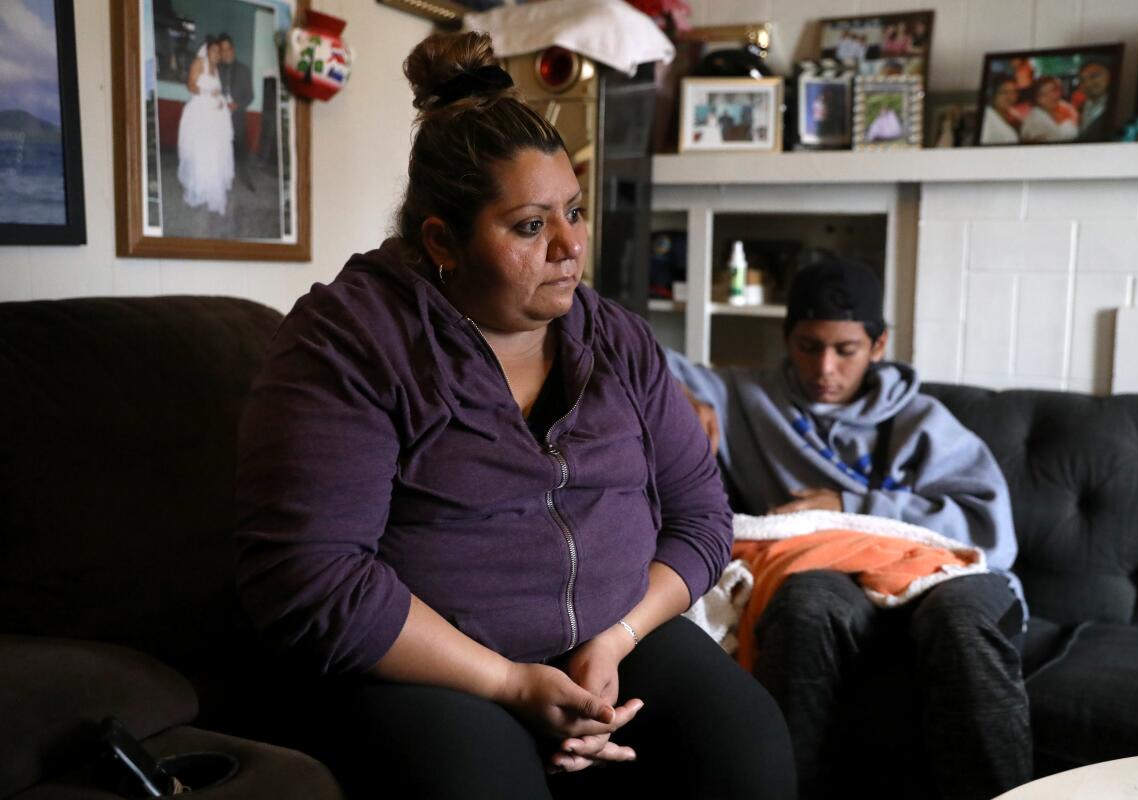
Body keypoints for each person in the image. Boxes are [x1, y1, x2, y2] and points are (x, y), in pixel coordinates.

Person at [233, 30, 795, 800]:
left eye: (574, 210)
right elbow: (311, 578)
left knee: (748, 748)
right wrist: (507, 683)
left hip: (611, 637)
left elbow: (700, 516)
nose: (571, 246)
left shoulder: (614, 337)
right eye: (531, 226)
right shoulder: (351, 343)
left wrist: (615, 639)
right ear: (443, 242)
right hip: (433, 667)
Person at [668, 259, 1032, 800]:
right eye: (808, 346)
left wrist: (849, 502)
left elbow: (988, 528)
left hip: (935, 571)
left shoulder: (922, 421)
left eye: (846, 350)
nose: (824, 369)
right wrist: (675, 395)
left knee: (961, 624)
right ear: (786, 338)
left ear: (878, 345)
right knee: (803, 604)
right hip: (826, 570)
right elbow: (628, 344)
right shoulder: (747, 396)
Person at [176, 37, 234, 216]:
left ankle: (211, 190)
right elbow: (191, 85)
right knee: (201, 152)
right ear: (207, 50)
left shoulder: (216, 69)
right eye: (214, 50)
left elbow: (217, 92)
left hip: (214, 118)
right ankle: (199, 189)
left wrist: (220, 101)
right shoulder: (199, 62)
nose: (217, 54)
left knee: (214, 154)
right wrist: (209, 93)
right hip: (200, 115)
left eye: (219, 52)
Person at [217, 33, 255, 191]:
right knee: (219, 149)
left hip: (237, 116)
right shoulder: (215, 69)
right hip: (218, 118)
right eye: (222, 50)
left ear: (233, 49)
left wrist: (237, 105)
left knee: (240, 149)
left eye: (228, 49)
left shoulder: (244, 70)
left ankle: (245, 178)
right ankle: (220, 178)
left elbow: (251, 95)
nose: (226, 52)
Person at [1021, 75, 1079, 143]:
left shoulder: (1065, 107)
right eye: (1044, 94)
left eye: (1053, 90)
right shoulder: (1035, 122)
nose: (1052, 96)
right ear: (1036, 99)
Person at [1076, 61, 1111, 142]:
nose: (1088, 84)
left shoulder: (1122, 103)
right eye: (1083, 81)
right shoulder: (1081, 108)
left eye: (1094, 76)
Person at [980, 77, 1021, 144]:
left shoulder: (1014, 114)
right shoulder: (986, 118)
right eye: (1004, 92)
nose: (1010, 97)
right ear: (992, 94)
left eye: (1013, 92)